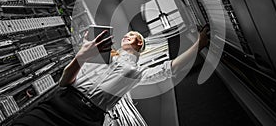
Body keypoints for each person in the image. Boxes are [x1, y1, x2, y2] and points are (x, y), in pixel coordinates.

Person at [13, 26, 209, 126]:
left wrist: (198, 45)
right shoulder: (100, 54)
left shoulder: (137, 73)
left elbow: (170, 68)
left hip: (86, 119)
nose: (126, 36)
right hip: (60, 104)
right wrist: (81, 57)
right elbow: (65, 81)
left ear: (139, 44)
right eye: (126, 34)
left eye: (132, 36)